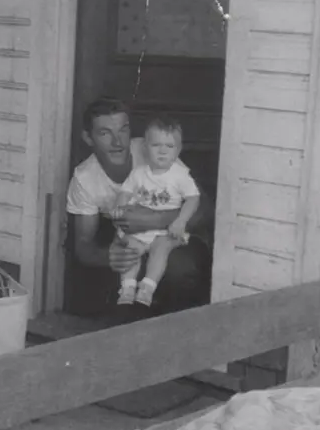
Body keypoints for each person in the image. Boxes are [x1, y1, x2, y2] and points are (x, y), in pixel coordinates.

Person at [65, 96, 214, 323]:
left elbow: (205, 209)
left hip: (171, 238)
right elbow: (83, 246)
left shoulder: (151, 151)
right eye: (105, 133)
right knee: (102, 288)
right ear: (88, 138)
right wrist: (110, 257)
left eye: (123, 130)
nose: (118, 142)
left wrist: (152, 220)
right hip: (129, 241)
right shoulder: (85, 178)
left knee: (180, 269)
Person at [109, 115, 200, 306]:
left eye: (169, 146)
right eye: (156, 145)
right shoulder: (139, 173)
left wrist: (181, 220)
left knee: (161, 248)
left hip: (166, 230)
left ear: (178, 150)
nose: (162, 151)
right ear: (145, 148)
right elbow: (125, 191)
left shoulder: (180, 175)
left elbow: (193, 198)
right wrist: (120, 207)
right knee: (130, 248)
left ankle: (147, 287)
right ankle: (127, 288)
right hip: (141, 228)